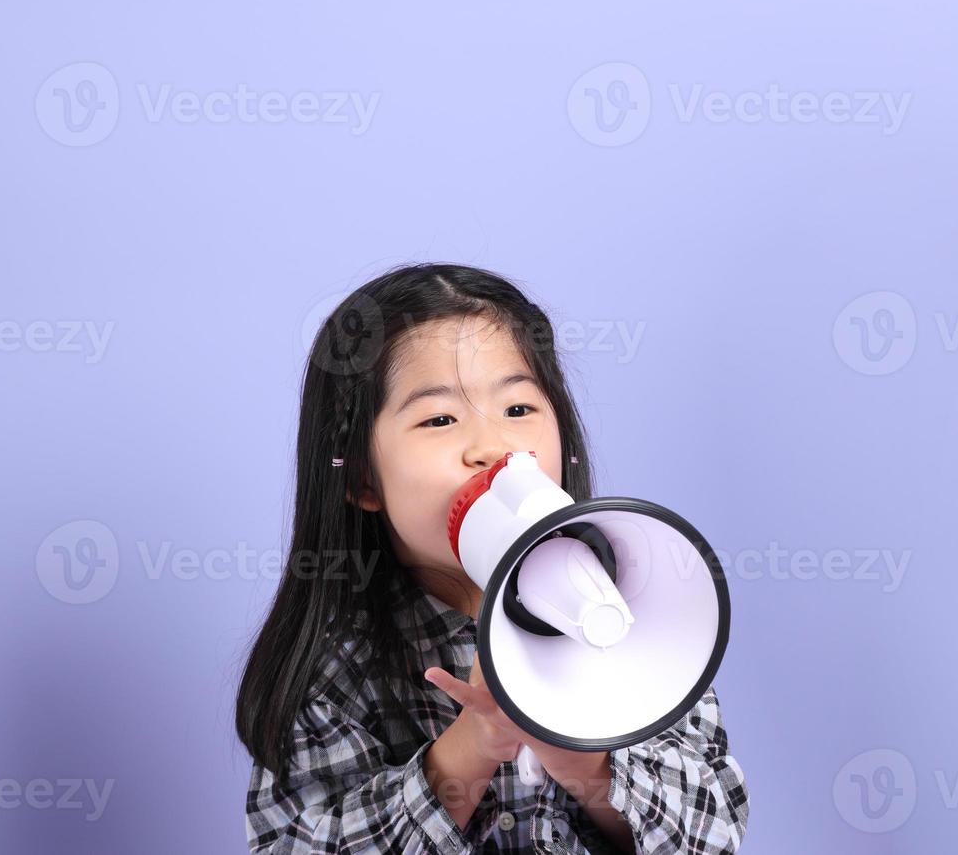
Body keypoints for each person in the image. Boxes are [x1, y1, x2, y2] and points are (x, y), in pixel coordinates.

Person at [234, 263, 749, 854]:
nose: (492, 448)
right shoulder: (333, 670)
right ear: (362, 480)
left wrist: (588, 762)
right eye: (440, 419)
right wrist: (471, 745)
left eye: (519, 410)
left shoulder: (640, 616)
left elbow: (712, 836)